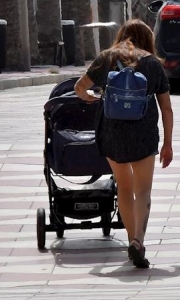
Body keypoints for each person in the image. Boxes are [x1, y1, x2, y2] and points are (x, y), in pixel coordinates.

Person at [73, 19, 174, 268]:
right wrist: (168, 144)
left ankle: (131, 238)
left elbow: (79, 88)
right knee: (143, 191)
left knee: (124, 187)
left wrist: (95, 99)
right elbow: (166, 108)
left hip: (112, 132)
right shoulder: (151, 62)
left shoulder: (106, 58)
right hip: (143, 133)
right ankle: (138, 241)